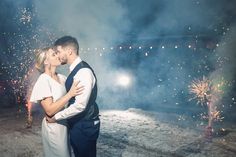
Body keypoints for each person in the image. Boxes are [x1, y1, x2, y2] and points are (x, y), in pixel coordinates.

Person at [47, 36, 100, 157]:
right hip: (79, 124)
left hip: (84, 125)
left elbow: (80, 106)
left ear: (69, 51)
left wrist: (56, 117)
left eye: (59, 52)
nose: (58, 55)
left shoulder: (83, 72)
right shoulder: (76, 70)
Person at [30, 47, 84, 157]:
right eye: (54, 55)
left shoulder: (62, 77)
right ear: (46, 61)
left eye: (56, 53)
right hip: (53, 126)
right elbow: (49, 110)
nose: (58, 56)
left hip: (64, 123)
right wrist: (70, 94)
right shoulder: (43, 80)